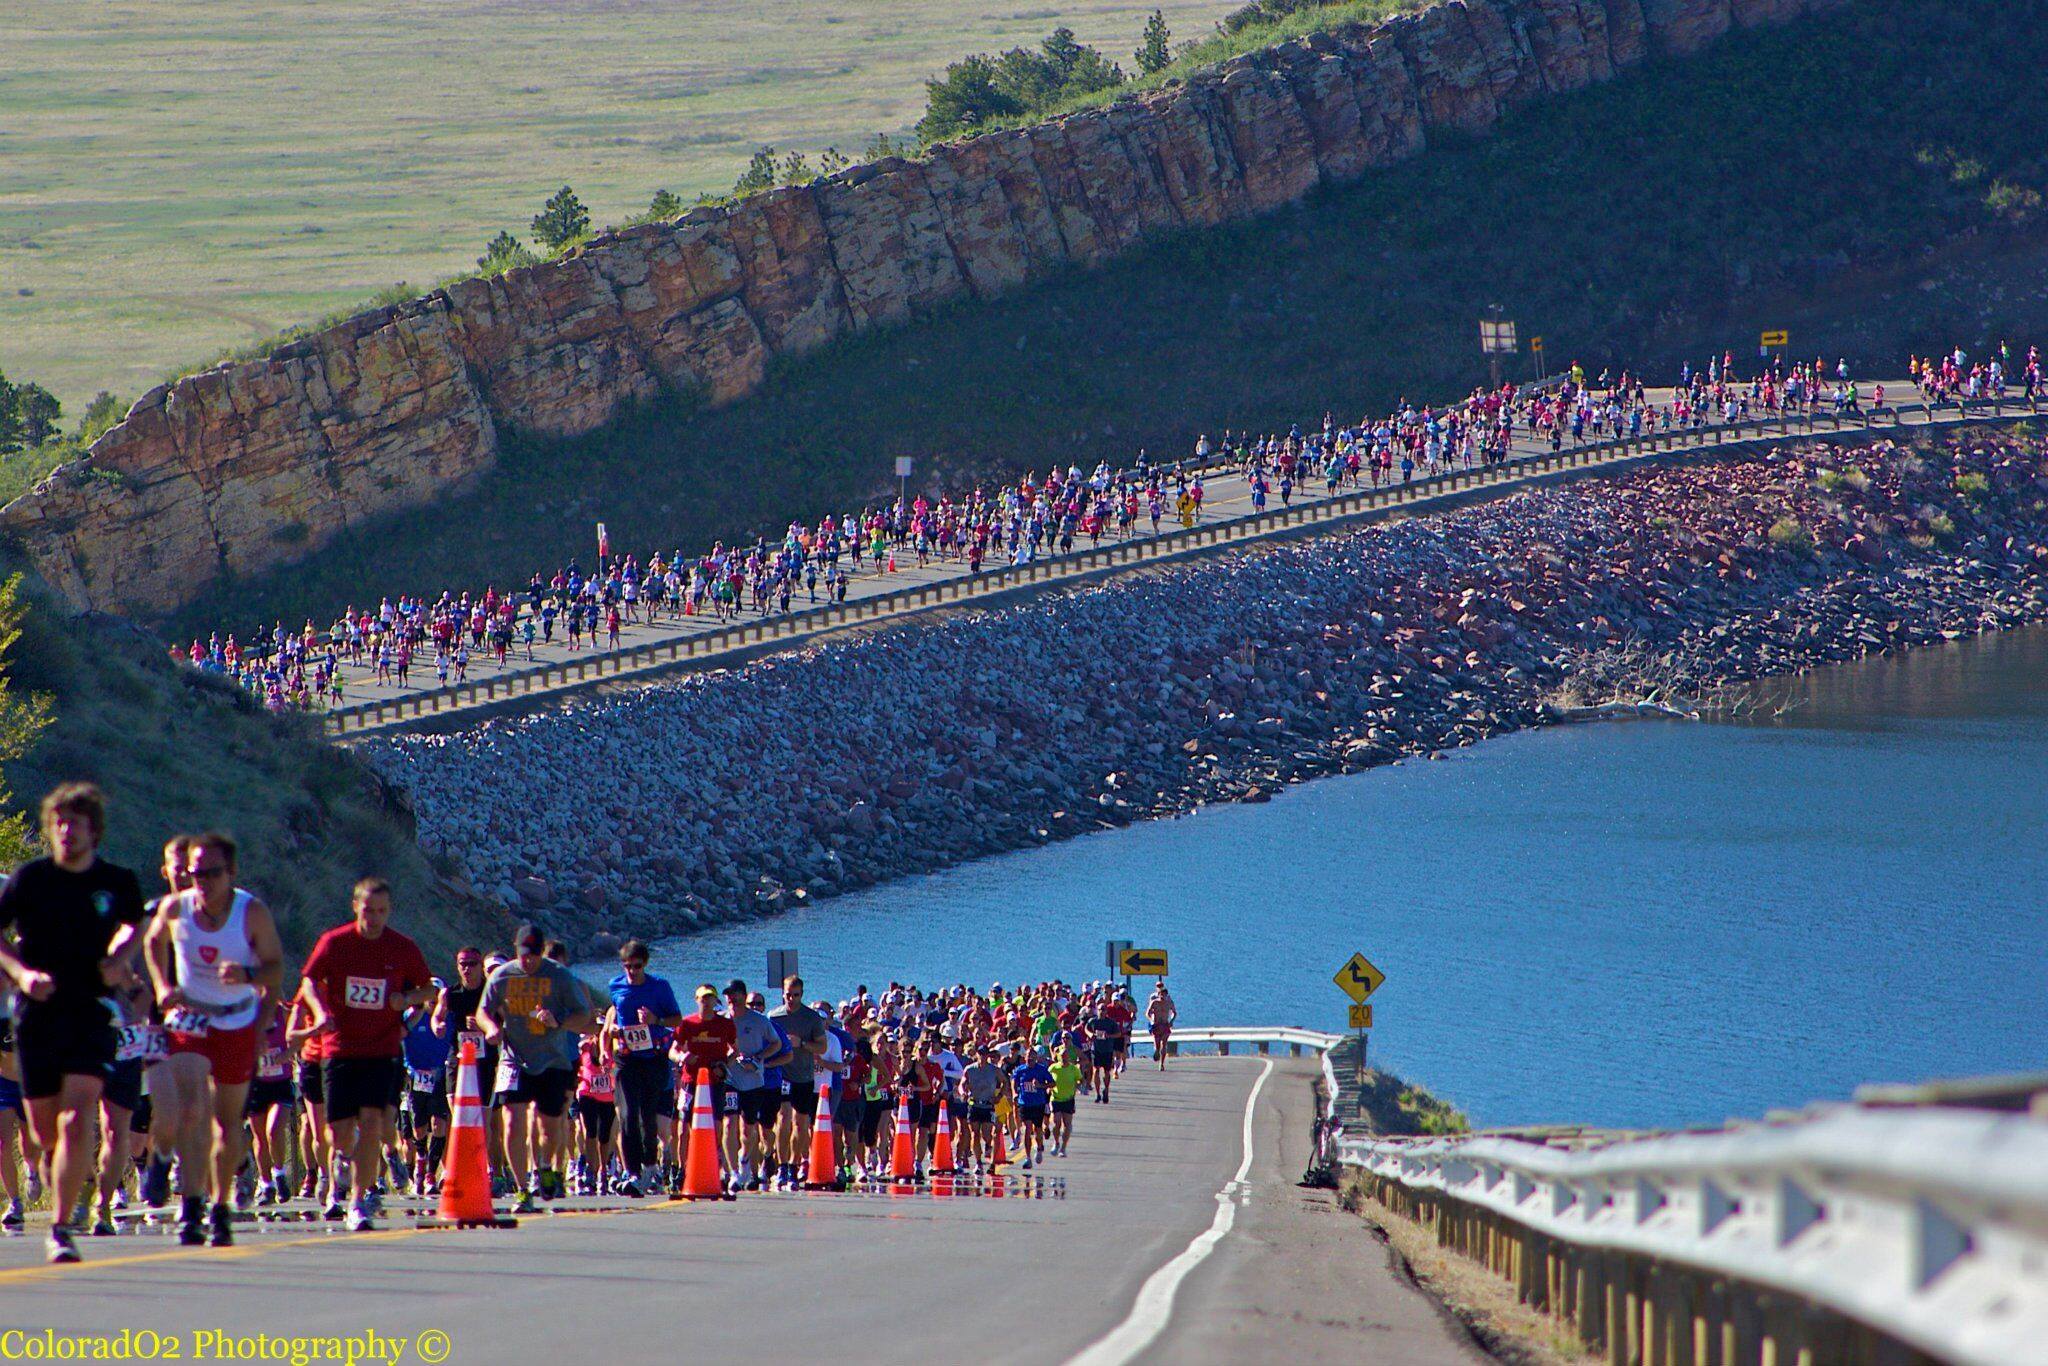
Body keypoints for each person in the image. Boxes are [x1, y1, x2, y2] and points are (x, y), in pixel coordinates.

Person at [0, 785, 148, 1264]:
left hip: (90, 1009)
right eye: (59, 822)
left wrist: (119, 958)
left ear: (94, 831)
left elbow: (135, 925)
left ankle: (62, 1226)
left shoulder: (116, 881)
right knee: (44, 1132)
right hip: (38, 1011)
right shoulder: (29, 880)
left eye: (76, 823)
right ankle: (54, 1168)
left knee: (79, 1114)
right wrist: (22, 973)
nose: (66, 830)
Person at [143, 831, 284, 1248]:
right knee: (191, 1109)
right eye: (194, 872)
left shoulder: (251, 913)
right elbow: (152, 942)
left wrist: (250, 980)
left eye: (211, 873)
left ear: (232, 873)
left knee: (227, 1122)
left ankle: (221, 1205)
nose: (201, 881)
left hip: (236, 1020)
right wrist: (162, 985)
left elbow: (276, 968)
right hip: (191, 1018)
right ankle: (190, 1206)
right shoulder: (176, 908)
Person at [298, 876, 434, 1231]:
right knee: (338, 1132)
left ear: (389, 911)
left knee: (373, 1122)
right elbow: (309, 980)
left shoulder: (402, 947)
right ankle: (341, 1158)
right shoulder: (335, 942)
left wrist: (405, 1000)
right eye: (368, 910)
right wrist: (321, 1010)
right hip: (340, 1047)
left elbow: (427, 989)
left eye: (382, 911)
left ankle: (358, 1201)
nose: (374, 918)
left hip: (382, 1048)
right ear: (355, 907)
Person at [479, 925, 596, 1213]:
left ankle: (544, 1166)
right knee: (512, 1120)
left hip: (551, 1060)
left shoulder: (559, 976)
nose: (528, 961)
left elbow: (585, 1016)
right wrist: (492, 1027)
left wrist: (558, 1020)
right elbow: (483, 1010)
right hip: (513, 1058)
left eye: (533, 956)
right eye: (523, 955)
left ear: (540, 952)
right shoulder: (502, 975)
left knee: (548, 1126)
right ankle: (521, 1189)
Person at [604, 940, 681, 1197]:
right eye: (627, 967)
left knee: (648, 1118)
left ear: (645, 964)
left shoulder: (660, 987)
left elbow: (676, 1019)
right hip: (627, 1058)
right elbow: (613, 1013)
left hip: (654, 1058)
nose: (632, 972)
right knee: (627, 1115)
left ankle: (650, 1165)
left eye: (636, 966)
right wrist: (613, 1032)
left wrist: (655, 1020)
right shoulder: (616, 986)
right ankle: (633, 1171)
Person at [720, 979, 789, 1193]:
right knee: (729, 1124)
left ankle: (744, 1159)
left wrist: (759, 1058)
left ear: (743, 995)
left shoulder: (759, 1021)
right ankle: (733, 1172)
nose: (731, 999)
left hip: (754, 1082)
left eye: (735, 994)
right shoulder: (720, 1020)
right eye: (728, 995)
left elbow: (777, 1043)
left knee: (748, 1131)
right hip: (729, 1079)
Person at [767, 974, 828, 1190]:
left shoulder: (811, 1018)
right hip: (781, 1074)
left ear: (802, 995)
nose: (791, 999)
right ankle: (782, 1166)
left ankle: (794, 1165)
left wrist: (801, 1043)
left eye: (795, 995)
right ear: (782, 994)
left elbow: (822, 1047)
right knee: (783, 1119)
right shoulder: (774, 1017)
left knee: (800, 1123)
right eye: (787, 995)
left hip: (803, 1075)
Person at [1009, 1047, 1054, 1171]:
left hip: (1038, 1103)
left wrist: (1041, 1086)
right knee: (1028, 1129)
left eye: (1032, 1057)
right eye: (1028, 1057)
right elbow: (1013, 1081)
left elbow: (1052, 1083)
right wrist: (1014, 1093)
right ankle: (1028, 1158)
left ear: (1036, 1058)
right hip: (1025, 1103)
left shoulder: (1042, 1070)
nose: (1030, 1060)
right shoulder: (1020, 1070)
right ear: (1025, 1058)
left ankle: (1039, 1147)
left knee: (1038, 1130)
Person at [1146, 983, 1177, 1072]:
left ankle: (1162, 1064)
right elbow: (1147, 1013)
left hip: (1165, 1024)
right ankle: (1156, 1052)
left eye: (1164, 994)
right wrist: (1151, 1021)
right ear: (1158, 994)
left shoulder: (1169, 1002)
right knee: (1157, 1045)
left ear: (1166, 994)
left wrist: (1171, 1021)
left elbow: (1174, 1012)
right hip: (1156, 1025)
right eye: (1161, 994)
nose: (1163, 996)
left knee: (1164, 1044)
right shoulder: (1154, 1002)